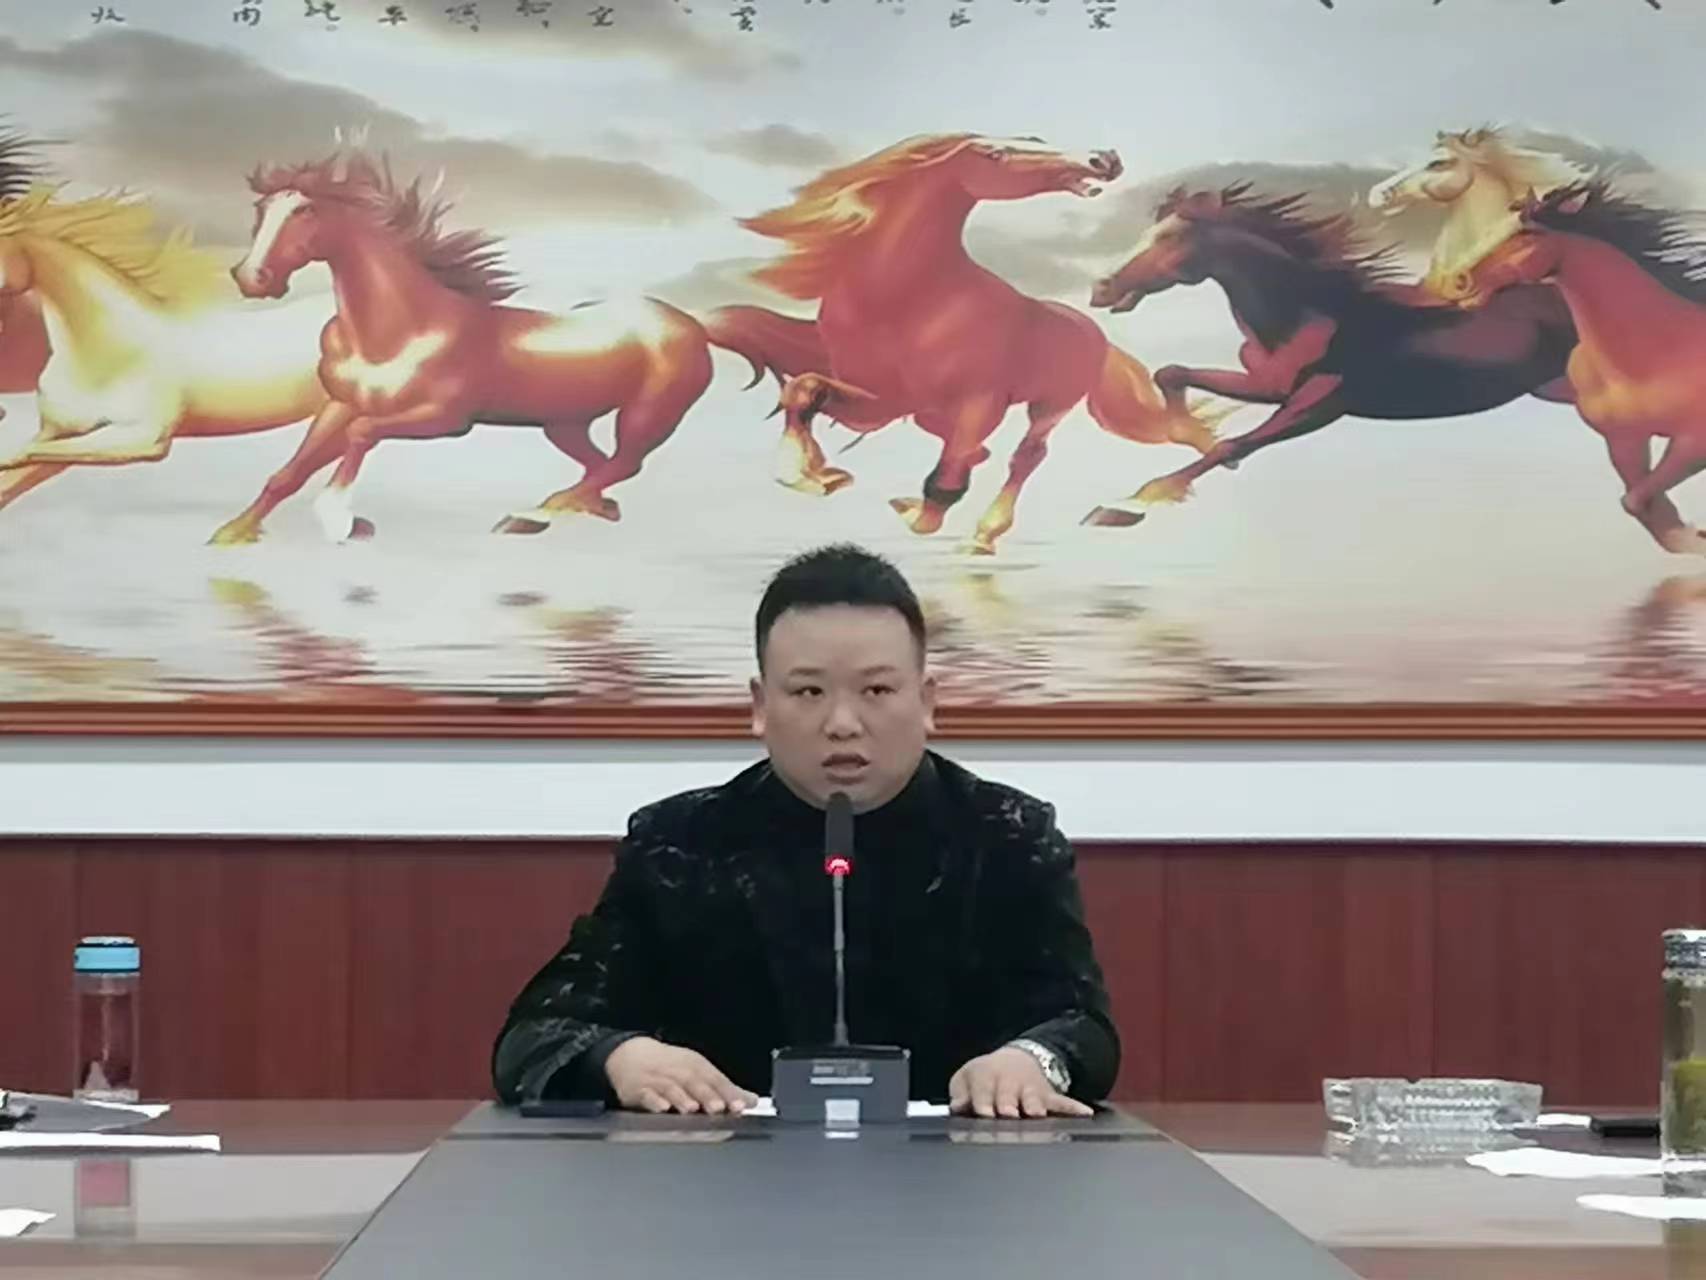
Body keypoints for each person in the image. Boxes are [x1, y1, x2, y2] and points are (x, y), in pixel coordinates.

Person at [492, 543, 1119, 1119]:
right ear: (760, 706)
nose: (842, 722)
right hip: (722, 1177)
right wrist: (620, 1057)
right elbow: (535, 1033)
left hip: (963, 1178)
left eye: (877, 689)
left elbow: (1080, 1023)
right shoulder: (679, 842)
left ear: (927, 701)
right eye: (809, 691)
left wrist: (1032, 1061)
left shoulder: (1006, 836)